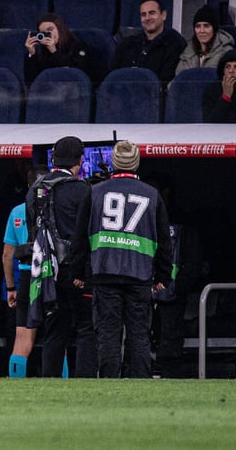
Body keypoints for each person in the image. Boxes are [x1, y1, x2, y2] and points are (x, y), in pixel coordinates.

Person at [69, 140, 171, 378]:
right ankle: (140, 382)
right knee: (139, 334)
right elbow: (165, 242)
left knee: (108, 333)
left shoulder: (94, 192)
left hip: (104, 273)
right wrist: (163, 276)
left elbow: (80, 239)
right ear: (136, 164)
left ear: (113, 163)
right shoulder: (152, 195)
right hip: (140, 274)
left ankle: (109, 383)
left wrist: (77, 273)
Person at [28, 135, 97, 377]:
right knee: (87, 327)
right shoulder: (83, 190)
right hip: (77, 270)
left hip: (45, 271)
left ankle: (51, 381)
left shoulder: (35, 189)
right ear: (79, 161)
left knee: (55, 330)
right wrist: (81, 271)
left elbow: (32, 232)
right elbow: (86, 235)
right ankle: (86, 380)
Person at [111, 0, 186, 82]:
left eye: (152, 13)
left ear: (163, 15)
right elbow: (113, 77)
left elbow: (167, 81)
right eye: (143, 14)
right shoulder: (128, 44)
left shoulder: (175, 43)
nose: (147, 18)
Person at [2, 191, 35, 378]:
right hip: (50, 276)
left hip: (25, 275)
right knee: (56, 338)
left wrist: (10, 287)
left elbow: (7, 254)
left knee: (21, 339)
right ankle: (60, 383)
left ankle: (15, 385)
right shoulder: (57, 206)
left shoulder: (17, 211)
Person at [24, 13, 95, 85]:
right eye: (43, 33)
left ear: (60, 28)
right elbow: (31, 82)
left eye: (50, 30)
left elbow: (76, 74)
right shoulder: (41, 51)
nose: (48, 34)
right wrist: (31, 54)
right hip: (47, 91)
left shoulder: (79, 46)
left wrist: (54, 51)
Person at [177, 6, 235, 76]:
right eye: (198, 26)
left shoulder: (226, 52)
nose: (202, 31)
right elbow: (177, 80)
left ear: (214, 29)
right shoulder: (187, 52)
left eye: (206, 26)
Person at [203, 49, 236, 122]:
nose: (231, 71)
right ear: (223, 70)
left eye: (235, 67)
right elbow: (209, 123)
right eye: (228, 67)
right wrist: (225, 97)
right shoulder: (211, 90)